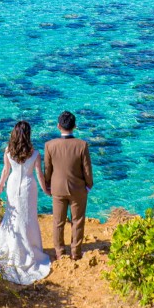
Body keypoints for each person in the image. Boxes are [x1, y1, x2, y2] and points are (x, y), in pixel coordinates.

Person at [0, 120, 51, 285]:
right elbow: (39, 174)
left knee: (12, 216)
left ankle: (11, 249)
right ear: (28, 135)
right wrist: (46, 190)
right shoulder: (35, 153)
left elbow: (5, 170)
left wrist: (0, 185)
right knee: (27, 218)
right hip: (28, 188)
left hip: (13, 184)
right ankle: (29, 249)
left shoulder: (9, 150)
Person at [42, 110, 92, 261]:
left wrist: (48, 186)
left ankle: (59, 252)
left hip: (57, 188)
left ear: (58, 126)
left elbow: (48, 169)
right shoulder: (82, 145)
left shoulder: (49, 145)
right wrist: (88, 186)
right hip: (78, 189)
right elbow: (87, 169)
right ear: (75, 126)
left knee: (58, 222)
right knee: (77, 221)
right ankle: (75, 253)